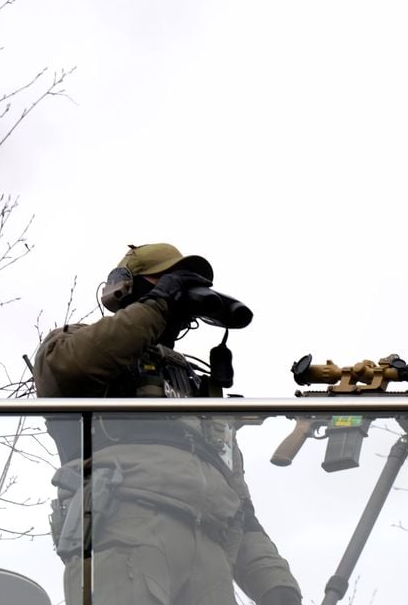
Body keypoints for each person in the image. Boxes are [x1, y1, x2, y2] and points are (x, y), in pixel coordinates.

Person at [33, 243, 302, 605]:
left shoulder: (195, 388)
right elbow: (72, 368)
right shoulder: (77, 347)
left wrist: (275, 584)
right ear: (125, 287)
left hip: (211, 546)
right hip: (127, 523)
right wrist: (160, 302)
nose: (181, 293)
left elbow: (235, 497)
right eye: (166, 278)